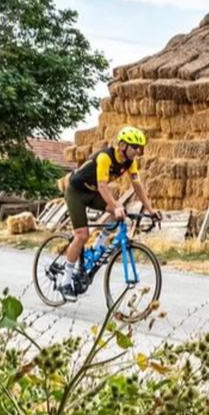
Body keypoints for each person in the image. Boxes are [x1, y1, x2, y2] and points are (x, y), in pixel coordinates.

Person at [58, 125, 161, 298]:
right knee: (82, 235)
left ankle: (99, 244)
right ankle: (65, 281)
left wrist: (151, 210)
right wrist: (115, 205)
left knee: (117, 213)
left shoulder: (130, 162)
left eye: (140, 148)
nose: (138, 151)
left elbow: (138, 186)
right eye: (135, 147)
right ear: (122, 145)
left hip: (93, 193)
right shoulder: (106, 157)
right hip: (76, 192)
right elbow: (102, 185)